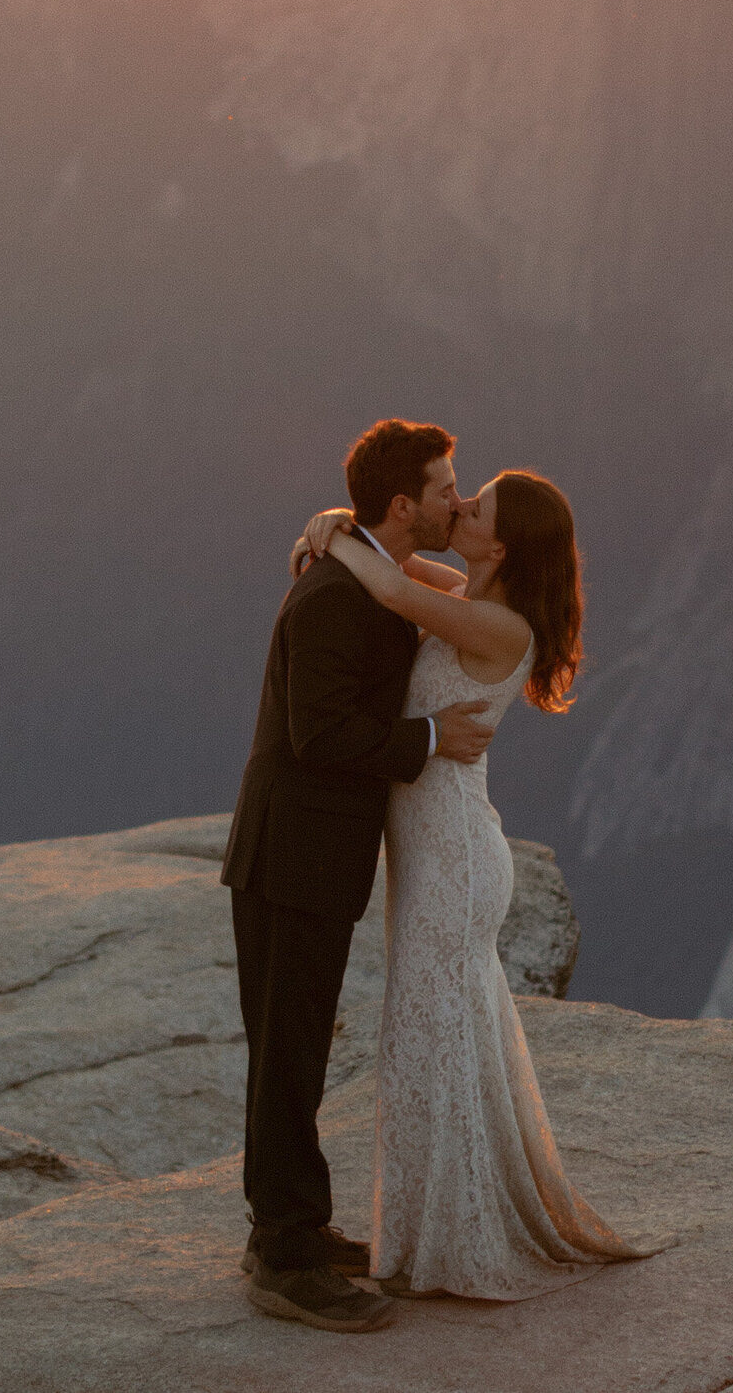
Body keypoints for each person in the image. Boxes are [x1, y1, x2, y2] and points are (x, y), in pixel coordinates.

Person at [295, 468, 653, 1300]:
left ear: (502, 544)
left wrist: (334, 532)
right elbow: (391, 562)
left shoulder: (496, 625)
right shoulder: (467, 593)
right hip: (435, 853)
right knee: (431, 1045)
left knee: (431, 1044)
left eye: (476, 506)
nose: (459, 507)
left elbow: (383, 580)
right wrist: (334, 519)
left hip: (452, 859)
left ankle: (446, 1248)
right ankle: (428, 1240)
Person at [221, 418, 495, 1334]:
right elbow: (318, 733)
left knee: (292, 1042)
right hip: (292, 856)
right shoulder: (337, 594)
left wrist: (334, 524)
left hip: (309, 855)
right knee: (287, 1047)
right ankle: (287, 1251)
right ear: (403, 503)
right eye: (445, 487)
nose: (457, 500)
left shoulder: (363, 569)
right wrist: (428, 739)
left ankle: (289, 1229)